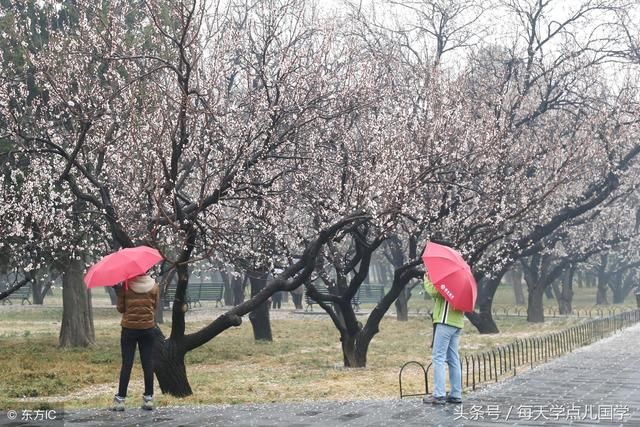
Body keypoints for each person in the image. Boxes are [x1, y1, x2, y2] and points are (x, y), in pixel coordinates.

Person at [111, 274, 160, 411]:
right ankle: (148, 399)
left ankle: (120, 400)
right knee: (148, 363)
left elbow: (121, 309)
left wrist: (120, 292)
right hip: (148, 329)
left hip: (129, 330)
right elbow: (155, 306)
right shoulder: (154, 286)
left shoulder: (126, 286)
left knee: (127, 364)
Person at [423, 276, 464, 405]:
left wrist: (427, 279)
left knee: (438, 357)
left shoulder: (449, 279)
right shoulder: (462, 281)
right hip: (457, 322)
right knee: (453, 359)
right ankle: (456, 394)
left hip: (445, 322)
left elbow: (434, 292)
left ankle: (439, 394)